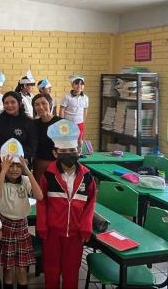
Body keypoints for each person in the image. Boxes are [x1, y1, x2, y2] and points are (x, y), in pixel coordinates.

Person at [37, 119, 96, 289]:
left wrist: (86, 226)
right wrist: (42, 226)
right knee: (52, 271)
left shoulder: (87, 176)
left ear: (78, 150)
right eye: (64, 151)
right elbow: (42, 202)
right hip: (52, 233)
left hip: (76, 234)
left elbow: (91, 202)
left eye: (72, 150)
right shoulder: (48, 175)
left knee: (71, 273)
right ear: (55, 153)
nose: (69, 153)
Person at [0, 139, 43, 289]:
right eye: (10, 165)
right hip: (5, 226)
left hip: (22, 227)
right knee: (8, 270)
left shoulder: (25, 180)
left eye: (17, 165)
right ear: (3, 164)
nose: (14, 169)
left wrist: (28, 171)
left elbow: (39, 196)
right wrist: (3, 170)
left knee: (22, 269)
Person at [0, 91, 37, 166]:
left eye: (13, 102)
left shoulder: (29, 122)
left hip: (21, 162)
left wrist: (17, 155)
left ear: (19, 103)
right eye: (6, 103)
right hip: (1, 161)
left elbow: (33, 145)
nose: (9, 105)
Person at [32, 93, 61, 181]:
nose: (40, 107)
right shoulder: (33, 124)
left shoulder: (61, 123)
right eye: (37, 104)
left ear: (50, 104)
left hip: (57, 164)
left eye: (44, 103)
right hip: (38, 165)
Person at [59, 75, 89, 148]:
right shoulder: (67, 97)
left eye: (81, 84)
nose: (79, 86)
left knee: (79, 141)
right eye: (76, 84)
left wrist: (83, 121)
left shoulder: (85, 98)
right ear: (72, 85)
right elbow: (62, 110)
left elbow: (85, 110)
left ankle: (78, 155)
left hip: (80, 123)